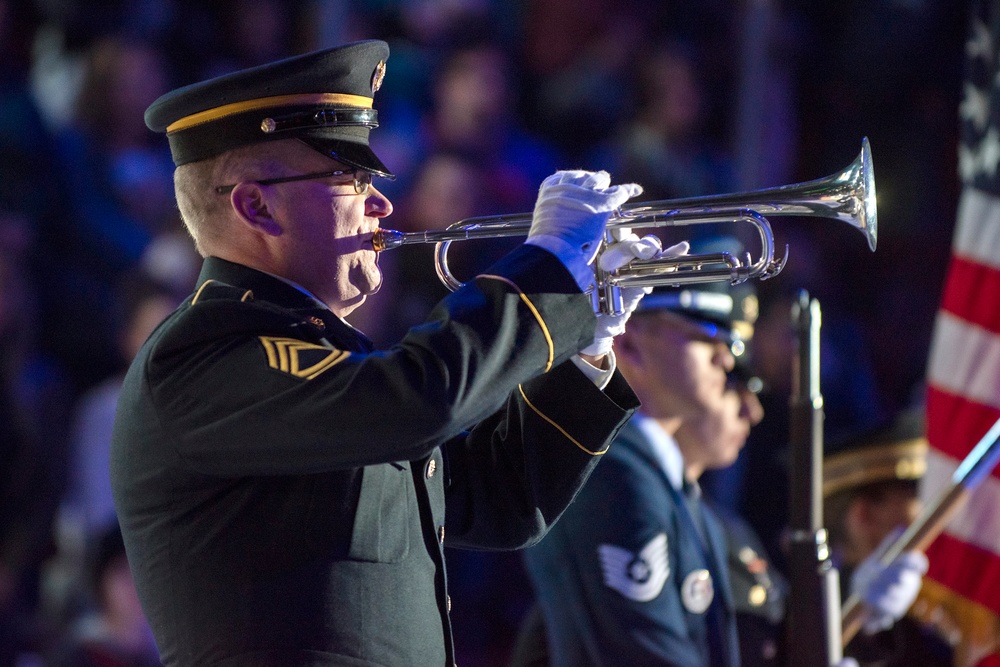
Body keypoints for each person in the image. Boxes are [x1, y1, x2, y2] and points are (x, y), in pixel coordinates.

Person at [110, 39, 660, 666]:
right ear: (255, 205)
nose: (383, 204)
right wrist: (545, 271)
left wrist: (585, 345)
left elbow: (502, 502)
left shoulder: (331, 361)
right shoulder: (202, 353)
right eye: (351, 178)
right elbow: (421, 399)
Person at [517, 275, 928, 667]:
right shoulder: (614, 475)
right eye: (702, 333)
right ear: (631, 342)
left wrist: (857, 611)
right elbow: (647, 653)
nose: (725, 355)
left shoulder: (675, 490)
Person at [824, 408, 953, 667]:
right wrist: (865, 628)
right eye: (915, 497)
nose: (929, 514)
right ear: (864, 515)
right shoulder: (813, 613)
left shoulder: (927, 615)